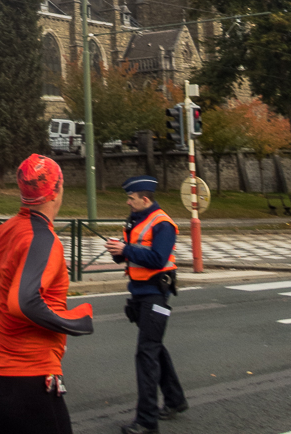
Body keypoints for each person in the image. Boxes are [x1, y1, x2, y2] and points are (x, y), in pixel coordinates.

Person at [0, 153, 94, 434]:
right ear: (57, 190)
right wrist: (74, 323)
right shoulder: (44, 238)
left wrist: (6, 292)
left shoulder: (3, 231)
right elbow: (24, 303)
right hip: (25, 375)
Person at [106, 175, 188, 434]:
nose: (128, 202)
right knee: (154, 349)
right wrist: (117, 252)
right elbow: (131, 257)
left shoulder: (163, 223)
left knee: (146, 354)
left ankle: (146, 421)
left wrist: (126, 249)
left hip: (156, 295)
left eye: (131, 198)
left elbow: (157, 258)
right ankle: (175, 400)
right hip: (140, 294)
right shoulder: (135, 220)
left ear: (145, 198)